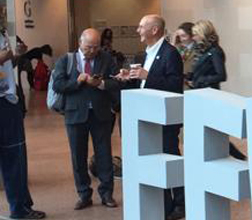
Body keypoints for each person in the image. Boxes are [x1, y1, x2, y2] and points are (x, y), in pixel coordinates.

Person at [115, 14, 186, 220]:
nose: (137, 30)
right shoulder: (144, 54)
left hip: (165, 119)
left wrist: (148, 76)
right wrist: (129, 78)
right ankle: (164, 204)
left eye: (141, 27)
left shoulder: (170, 53)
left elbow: (174, 86)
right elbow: (143, 85)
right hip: (147, 119)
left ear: (154, 30)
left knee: (170, 158)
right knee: (157, 163)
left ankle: (180, 203)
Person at [51, 28, 121, 210]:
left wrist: (102, 83)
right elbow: (58, 85)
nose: (92, 51)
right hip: (75, 114)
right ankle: (83, 194)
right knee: (78, 156)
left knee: (104, 154)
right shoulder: (66, 60)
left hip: (101, 113)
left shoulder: (106, 58)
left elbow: (117, 81)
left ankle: (106, 194)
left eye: (96, 47)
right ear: (80, 43)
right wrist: (78, 82)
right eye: (89, 47)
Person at [0, 22, 46, 220]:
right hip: (4, 104)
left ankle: (21, 205)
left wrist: (16, 55)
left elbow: (7, 68)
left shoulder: (2, 34)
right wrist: (4, 57)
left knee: (15, 156)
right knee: (13, 156)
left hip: (8, 99)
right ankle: (19, 209)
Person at [188, 20, 247, 160]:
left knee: (215, 131)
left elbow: (221, 75)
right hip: (200, 94)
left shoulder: (214, 51)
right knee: (208, 131)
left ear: (203, 34)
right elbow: (200, 71)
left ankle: (238, 157)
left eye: (196, 34)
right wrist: (191, 77)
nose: (194, 38)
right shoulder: (202, 51)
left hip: (210, 95)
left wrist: (201, 80)